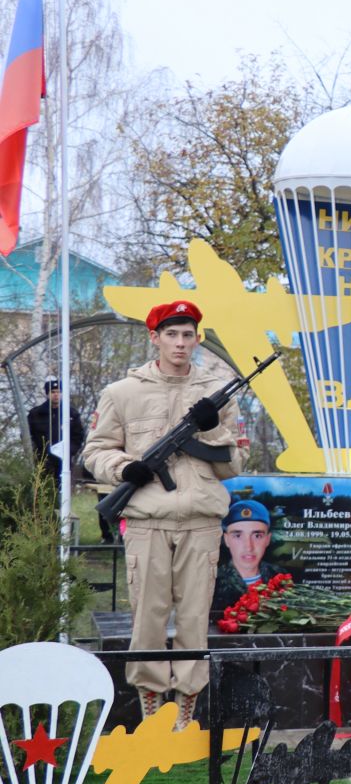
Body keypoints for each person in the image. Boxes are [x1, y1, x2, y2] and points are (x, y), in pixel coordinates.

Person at [82, 300, 241, 729]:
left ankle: (185, 717)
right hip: (147, 522)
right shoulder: (122, 392)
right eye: (171, 334)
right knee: (148, 617)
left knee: (193, 619)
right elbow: (95, 451)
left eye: (188, 335)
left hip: (201, 522)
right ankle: (151, 715)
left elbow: (234, 464)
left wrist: (210, 428)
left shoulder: (217, 394)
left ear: (196, 339)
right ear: (154, 338)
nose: (180, 343)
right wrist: (123, 469)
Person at [211, 498, 275, 613]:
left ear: (268, 539)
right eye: (238, 536)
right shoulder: (213, 582)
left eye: (257, 536)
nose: (248, 547)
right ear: (226, 539)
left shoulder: (280, 576)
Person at [26, 376, 90, 483]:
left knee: (62, 488)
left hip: (63, 461)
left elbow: (78, 436)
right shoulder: (36, 414)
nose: (56, 394)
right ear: (47, 393)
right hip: (42, 460)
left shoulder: (71, 414)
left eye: (59, 391)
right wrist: (36, 453)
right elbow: (28, 435)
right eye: (53, 391)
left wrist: (69, 451)